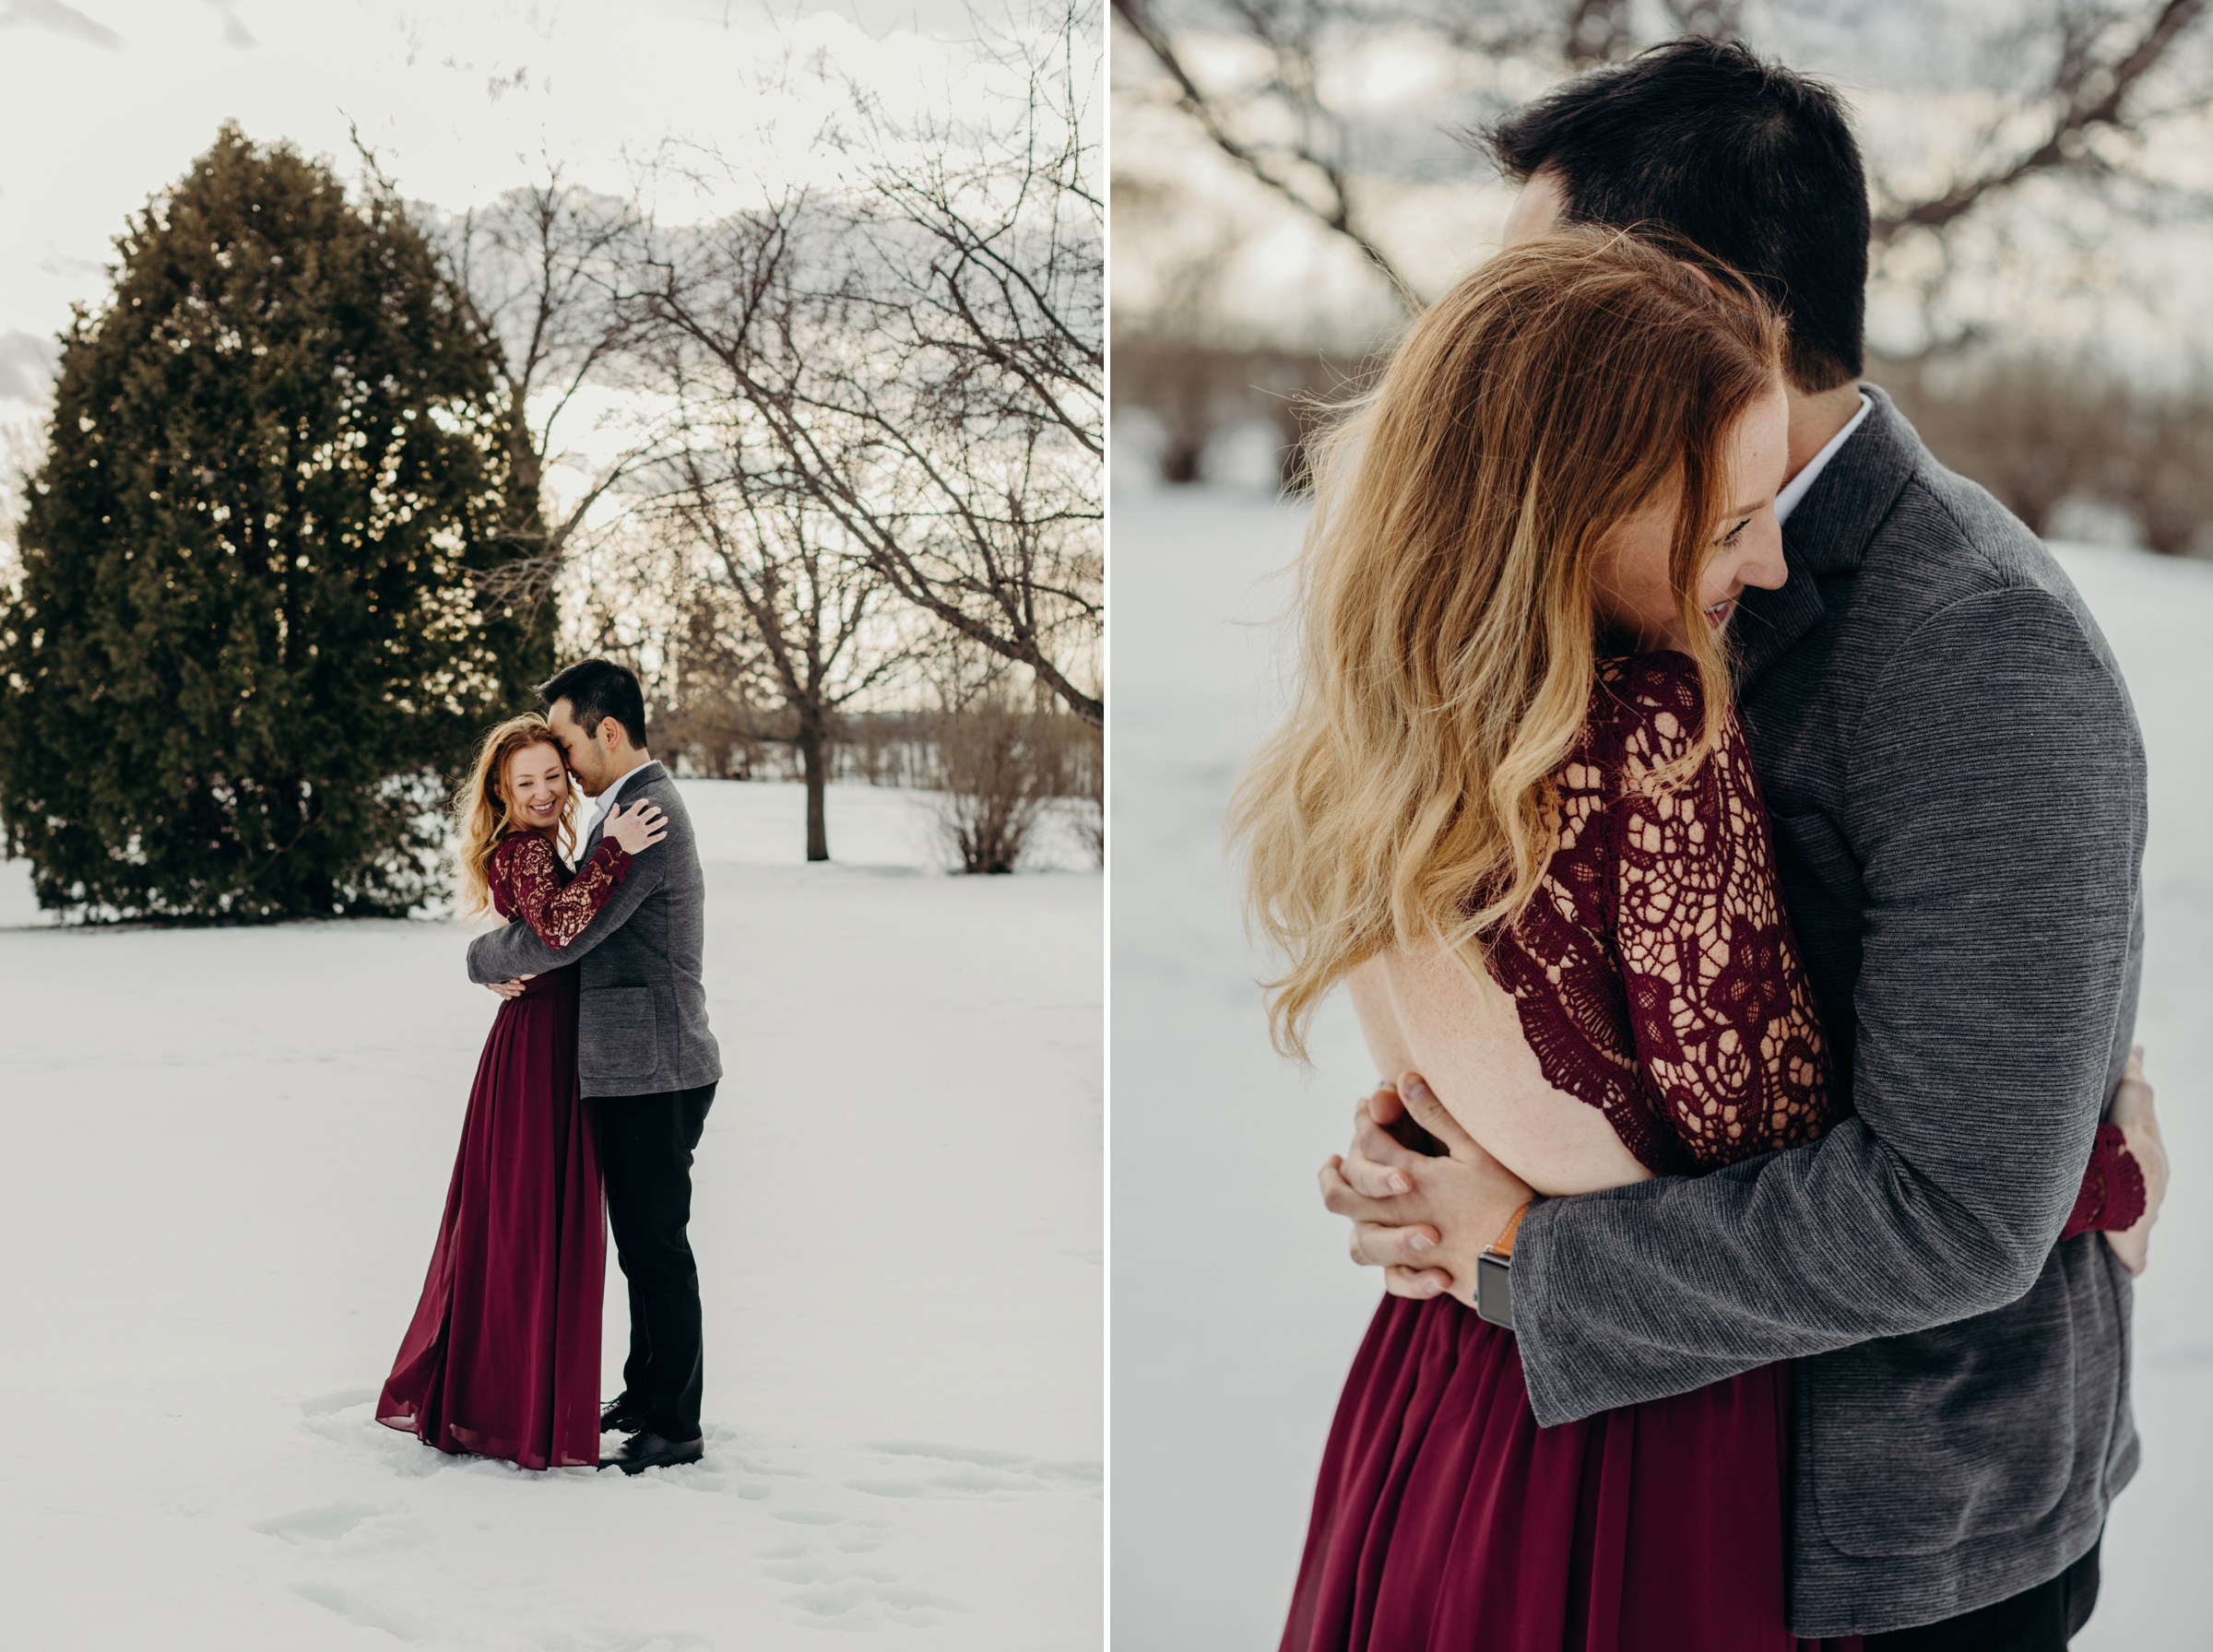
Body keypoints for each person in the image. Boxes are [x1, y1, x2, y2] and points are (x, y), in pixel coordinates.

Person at [1309, 41, 2169, 1647]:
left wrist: (1519, 1255)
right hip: (1624, 1484)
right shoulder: (1573, 563)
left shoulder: (1977, 645)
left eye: (1545, 276)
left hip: (1885, 1542)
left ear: (1693, 299)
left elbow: (1963, 1201)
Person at [378, 713, 668, 1469]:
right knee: (529, 1223)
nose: (542, 792)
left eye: (550, 776)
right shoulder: (528, 848)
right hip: (538, 1049)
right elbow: (563, 928)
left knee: (529, 1224)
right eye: (524, 782)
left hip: (548, 1039)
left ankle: (514, 1398)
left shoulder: (543, 847)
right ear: (502, 793)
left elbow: (543, 936)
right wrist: (615, 853)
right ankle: (508, 1407)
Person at [468, 658, 724, 1476]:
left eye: (569, 745)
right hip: (636, 1062)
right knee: (640, 1248)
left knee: (656, 1248)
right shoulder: (620, 806)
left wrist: (479, 955)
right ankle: (647, 1394)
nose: (564, 767)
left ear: (606, 732)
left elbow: (567, 935)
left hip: (656, 1064)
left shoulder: (646, 813)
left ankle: (674, 1426)